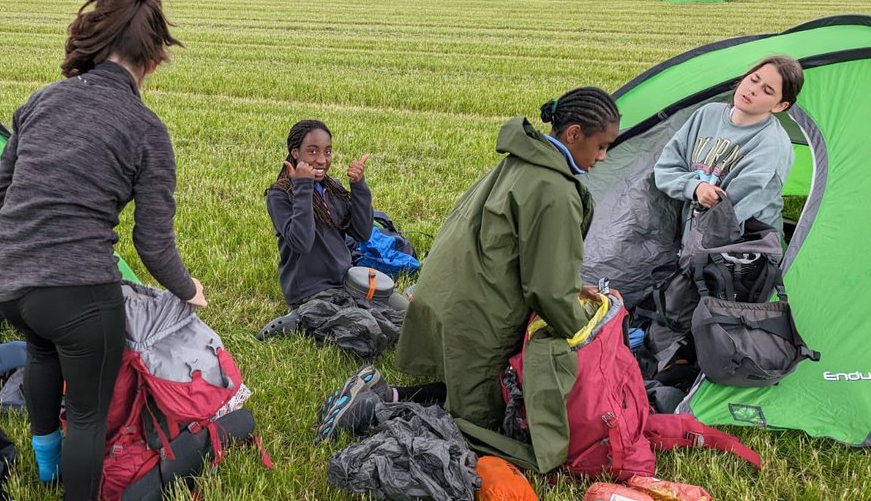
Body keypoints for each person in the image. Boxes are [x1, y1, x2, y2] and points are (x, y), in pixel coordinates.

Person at [0, 0, 206, 501]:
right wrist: (188, 288)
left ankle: (46, 468)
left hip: (9, 280)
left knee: (42, 352)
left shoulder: (41, 101)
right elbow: (151, 242)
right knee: (87, 409)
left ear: (89, 41)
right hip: (78, 292)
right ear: (154, 62)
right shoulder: (146, 130)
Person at [320, 88, 621, 471]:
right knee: (478, 428)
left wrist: (571, 284)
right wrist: (583, 331)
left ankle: (382, 394)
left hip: (445, 296)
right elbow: (546, 290)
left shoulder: (524, 159)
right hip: (477, 318)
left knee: (460, 395)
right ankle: (370, 414)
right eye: (600, 146)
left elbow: (522, 250)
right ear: (574, 134)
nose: (602, 158)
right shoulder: (556, 189)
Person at [653, 56, 803, 240]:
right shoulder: (706, 114)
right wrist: (696, 187)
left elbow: (730, 215)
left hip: (742, 251)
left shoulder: (772, 145)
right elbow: (665, 168)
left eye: (768, 90)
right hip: (693, 237)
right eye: (754, 79)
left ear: (780, 105)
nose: (753, 90)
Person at [264, 119, 373, 310]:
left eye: (327, 152)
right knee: (364, 328)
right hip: (310, 292)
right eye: (312, 151)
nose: (322, 160)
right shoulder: (280, 195)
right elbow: (301, 242)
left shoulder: (332, 189)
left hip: (345, 282)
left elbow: (362, 234)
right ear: (295, 153)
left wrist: (359, 186)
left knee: (403, 311)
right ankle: (296, 320)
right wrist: (303, 187)